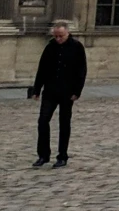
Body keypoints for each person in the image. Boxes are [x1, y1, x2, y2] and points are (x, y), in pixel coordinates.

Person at [29, 21, 87, 168]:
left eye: (61, 36)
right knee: (42, 121)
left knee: (64, 124)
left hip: (67, 92)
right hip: (50, 91)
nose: (58, 39)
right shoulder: (50, 47)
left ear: (67, 33)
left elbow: (81, 71)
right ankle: (43, 155)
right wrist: (36, 90)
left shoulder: (77, 47)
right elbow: (42, 69)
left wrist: (77, 92)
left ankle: (62, 156)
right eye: (56, 36)